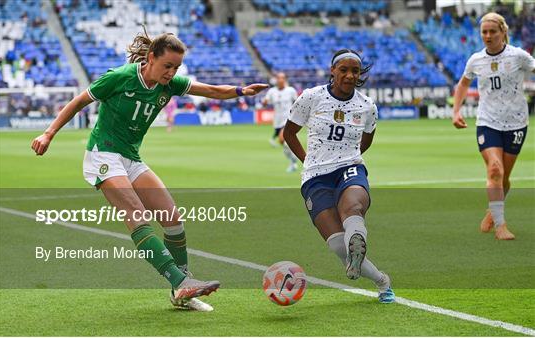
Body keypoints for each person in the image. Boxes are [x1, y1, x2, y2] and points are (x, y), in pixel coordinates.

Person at [31, 27, 268, 311]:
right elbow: (79, 101)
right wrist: (48, 134)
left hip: (130, 157)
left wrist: (242, 91)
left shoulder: (169, 84)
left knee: (173, 219)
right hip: (103, 153)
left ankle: (181, 292)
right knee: (138, 216)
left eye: (176, 67)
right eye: (168, 65)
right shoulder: (120, 77)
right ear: (151, 58)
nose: (172, 72)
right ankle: (181, 283)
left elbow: (210, 90)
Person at [283, 49, 395, 303]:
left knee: (353, 208)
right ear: (332, 71)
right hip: (315, 176)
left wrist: (349, 158)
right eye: (343, 69)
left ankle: (357, 239)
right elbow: (289, 133)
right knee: (337, 245)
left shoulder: (367, 106)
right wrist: (308, 162)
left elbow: (365, 142)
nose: (349, 75)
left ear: (360, 74)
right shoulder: (311, 97)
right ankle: (381, 280)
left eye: (355, 70)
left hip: (349, 167)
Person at [452, 12, 534, 240]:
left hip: (517, 122)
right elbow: (462, 84)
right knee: (495, 169)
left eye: (492, 32)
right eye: (484, 32)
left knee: (504, 176)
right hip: (488, 122)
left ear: (503, 32)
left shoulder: (518, 56)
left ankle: (493, 209)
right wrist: (456, 110)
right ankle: (501, 225)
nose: (488, 36)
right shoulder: (476, 59)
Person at [262, 72, 299, 172]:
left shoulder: (290, 90)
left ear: (285, 80)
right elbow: (265, 102)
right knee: (283, 143)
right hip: (277, 122)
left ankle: (296, 160)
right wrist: (264, 102)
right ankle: (293, 161)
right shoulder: (272, 91)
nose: (280, 80)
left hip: (288, 120)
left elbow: (297, 103)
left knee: (283, 139)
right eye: (278, 78)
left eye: (282, 78)